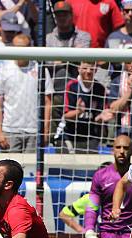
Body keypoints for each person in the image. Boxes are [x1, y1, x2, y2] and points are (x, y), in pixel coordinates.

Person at [45, 1, 91, 140]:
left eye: (65, 14)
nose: (62, 18)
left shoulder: (83, 36)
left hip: (78, 90)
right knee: (54, 128)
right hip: (56, 90)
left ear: (71, 15)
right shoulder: (49, 38)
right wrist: (70, 57)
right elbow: (47, 62)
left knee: (79, 125)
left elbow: (83, 56)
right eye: (59, 15)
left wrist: (59, 59)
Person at [0, 33, 45, 152]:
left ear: (30, 48)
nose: (20, 51)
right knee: (9, 169)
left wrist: (45, 130)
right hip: (10, 130)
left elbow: (47, 102)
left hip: (34, 131)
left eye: (24, 48)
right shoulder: (3, 70)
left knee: (32, 170)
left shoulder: (40, 69)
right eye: (17, 47)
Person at [58, 61, 112, 153]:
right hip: (70, 135)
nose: (88, 71)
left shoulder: (100, 89)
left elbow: (98, 117)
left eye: (91, 69)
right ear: (79, 69)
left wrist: (102, 117)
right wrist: (79, 111)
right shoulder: (72, 86)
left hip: (91, 137)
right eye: (85, 68)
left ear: (96, 70)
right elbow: (66, 116)